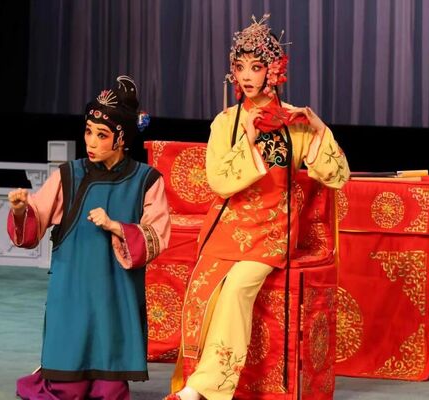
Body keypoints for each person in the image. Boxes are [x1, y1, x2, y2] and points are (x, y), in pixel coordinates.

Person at [165, 14, 350, 400]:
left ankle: (203, 388)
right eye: (240, 67)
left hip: (273, 230)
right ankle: (199, 377)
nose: (246, 76)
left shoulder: (295, 122)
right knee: (202, 291)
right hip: (227, 227)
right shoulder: (226, 123)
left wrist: (320, 131)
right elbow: (219, 182)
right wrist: (247, 139)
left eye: (256, 66)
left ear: (274, 70)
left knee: (236, 289)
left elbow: (337, 176)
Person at [7, 75, 171, 400]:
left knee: (110, 390)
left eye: (101, 135)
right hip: (73, 290)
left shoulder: (146, 180)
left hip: (114, 293)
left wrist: (116, 227)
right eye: (88, 132)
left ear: (121, 139)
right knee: (67, 389)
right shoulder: (69, 175)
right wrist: (21, 211)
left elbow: (157, 235)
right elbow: (36, 221)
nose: (91, 142)